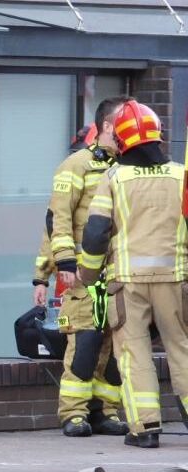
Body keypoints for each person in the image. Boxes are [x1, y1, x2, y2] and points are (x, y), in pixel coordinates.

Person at [78, 99, 188, 449]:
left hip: (127, 284)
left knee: (135, 352)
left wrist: (87, 273)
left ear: (122, 142)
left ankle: (146, 428)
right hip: (175, 277)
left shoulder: (114, 177)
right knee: (182, 348)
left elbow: (96, 232)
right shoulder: (181, 175)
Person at [42, 99, 132, 438]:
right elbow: (57, 217)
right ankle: (73, 414)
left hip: (119, 272)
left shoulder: (125, 165)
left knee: (112, 348)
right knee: (85, 343)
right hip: (84, 270)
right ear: (108, 126)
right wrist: (63, 261)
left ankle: (104, 412)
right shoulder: (76, 165)